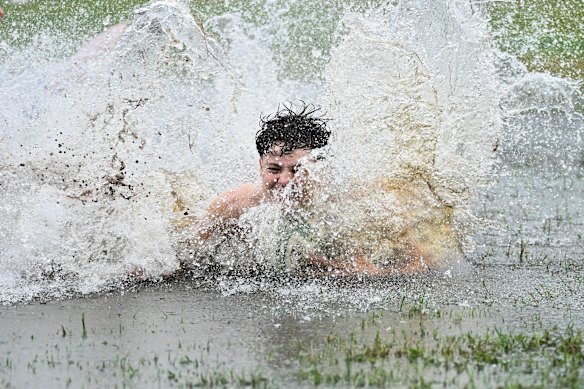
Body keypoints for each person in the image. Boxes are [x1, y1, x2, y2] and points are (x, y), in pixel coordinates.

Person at [192, 102, 432, 276]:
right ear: (260, 166)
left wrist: (369, 274)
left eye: (297, 170)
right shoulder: (233, 206)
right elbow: (189, 255)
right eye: (274, 169)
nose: (285, 181)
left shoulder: (357, 205)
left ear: (319, 169)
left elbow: (425, 263)